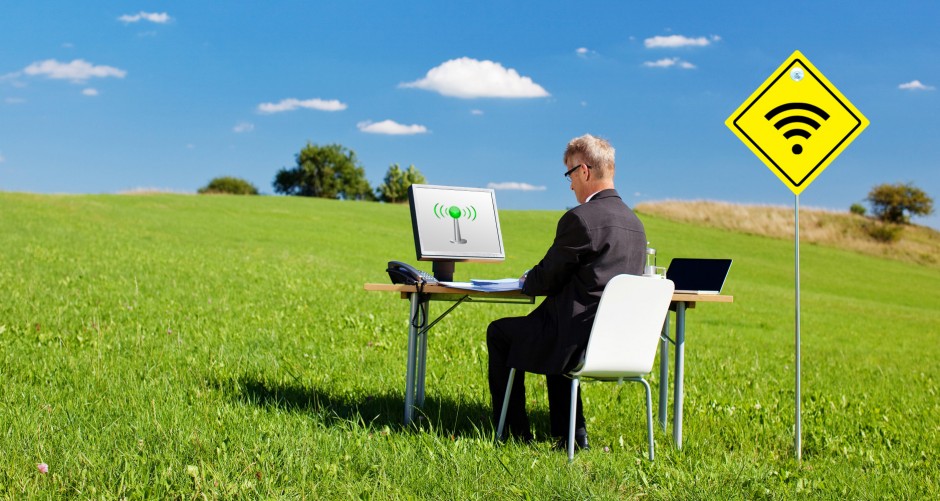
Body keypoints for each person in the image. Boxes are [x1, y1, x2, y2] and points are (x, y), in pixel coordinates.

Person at [487, 134, 647, 450]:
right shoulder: (636, 225)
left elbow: (546, 278)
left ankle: (515, 435)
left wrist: (528, 279)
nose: (571, 185)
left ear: (584, 171)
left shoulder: (580, 219)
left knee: (500, 333)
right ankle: (571, 436)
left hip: (576, 343)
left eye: (570, 174)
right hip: (620, 343)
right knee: (557, 326)